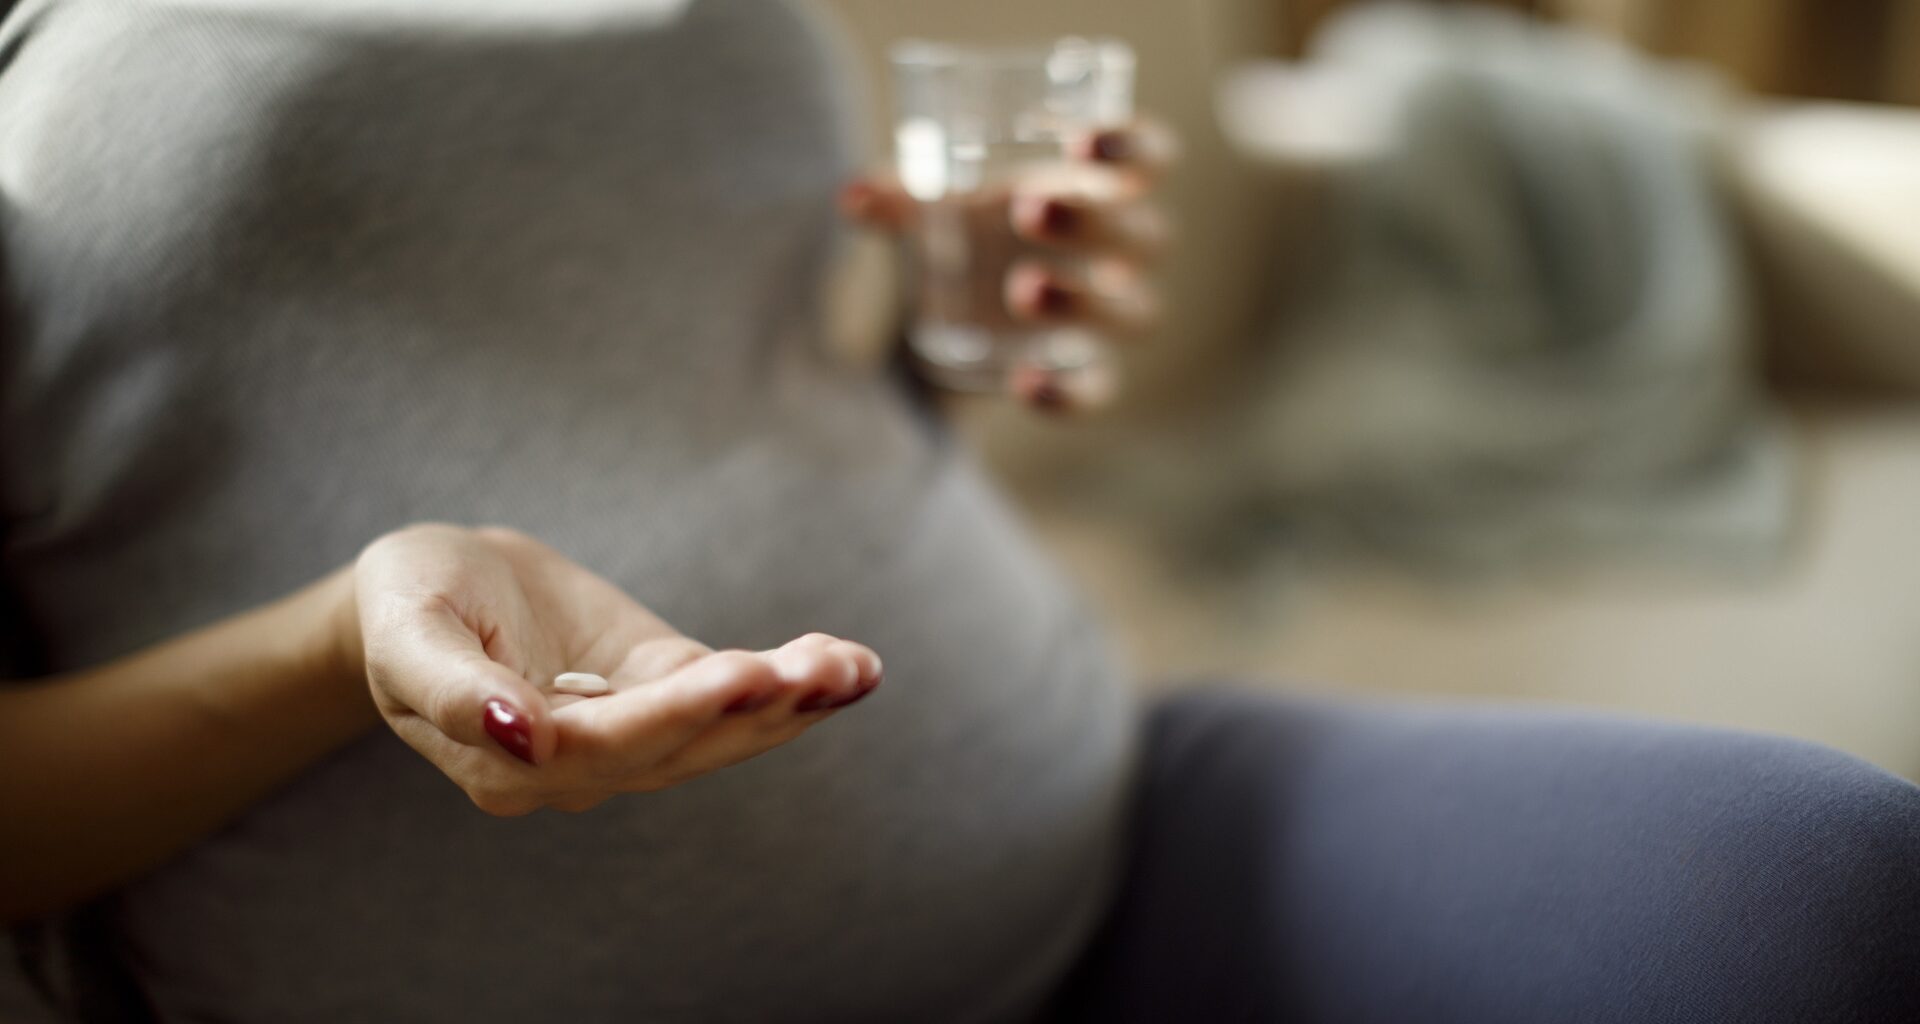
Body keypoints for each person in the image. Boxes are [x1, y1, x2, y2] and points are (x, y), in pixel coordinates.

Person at [2, 2, 1916, 1022]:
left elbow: (751, 378)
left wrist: (957, 325)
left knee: (1825, 897)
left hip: (1098, 815)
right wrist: (352, 641)